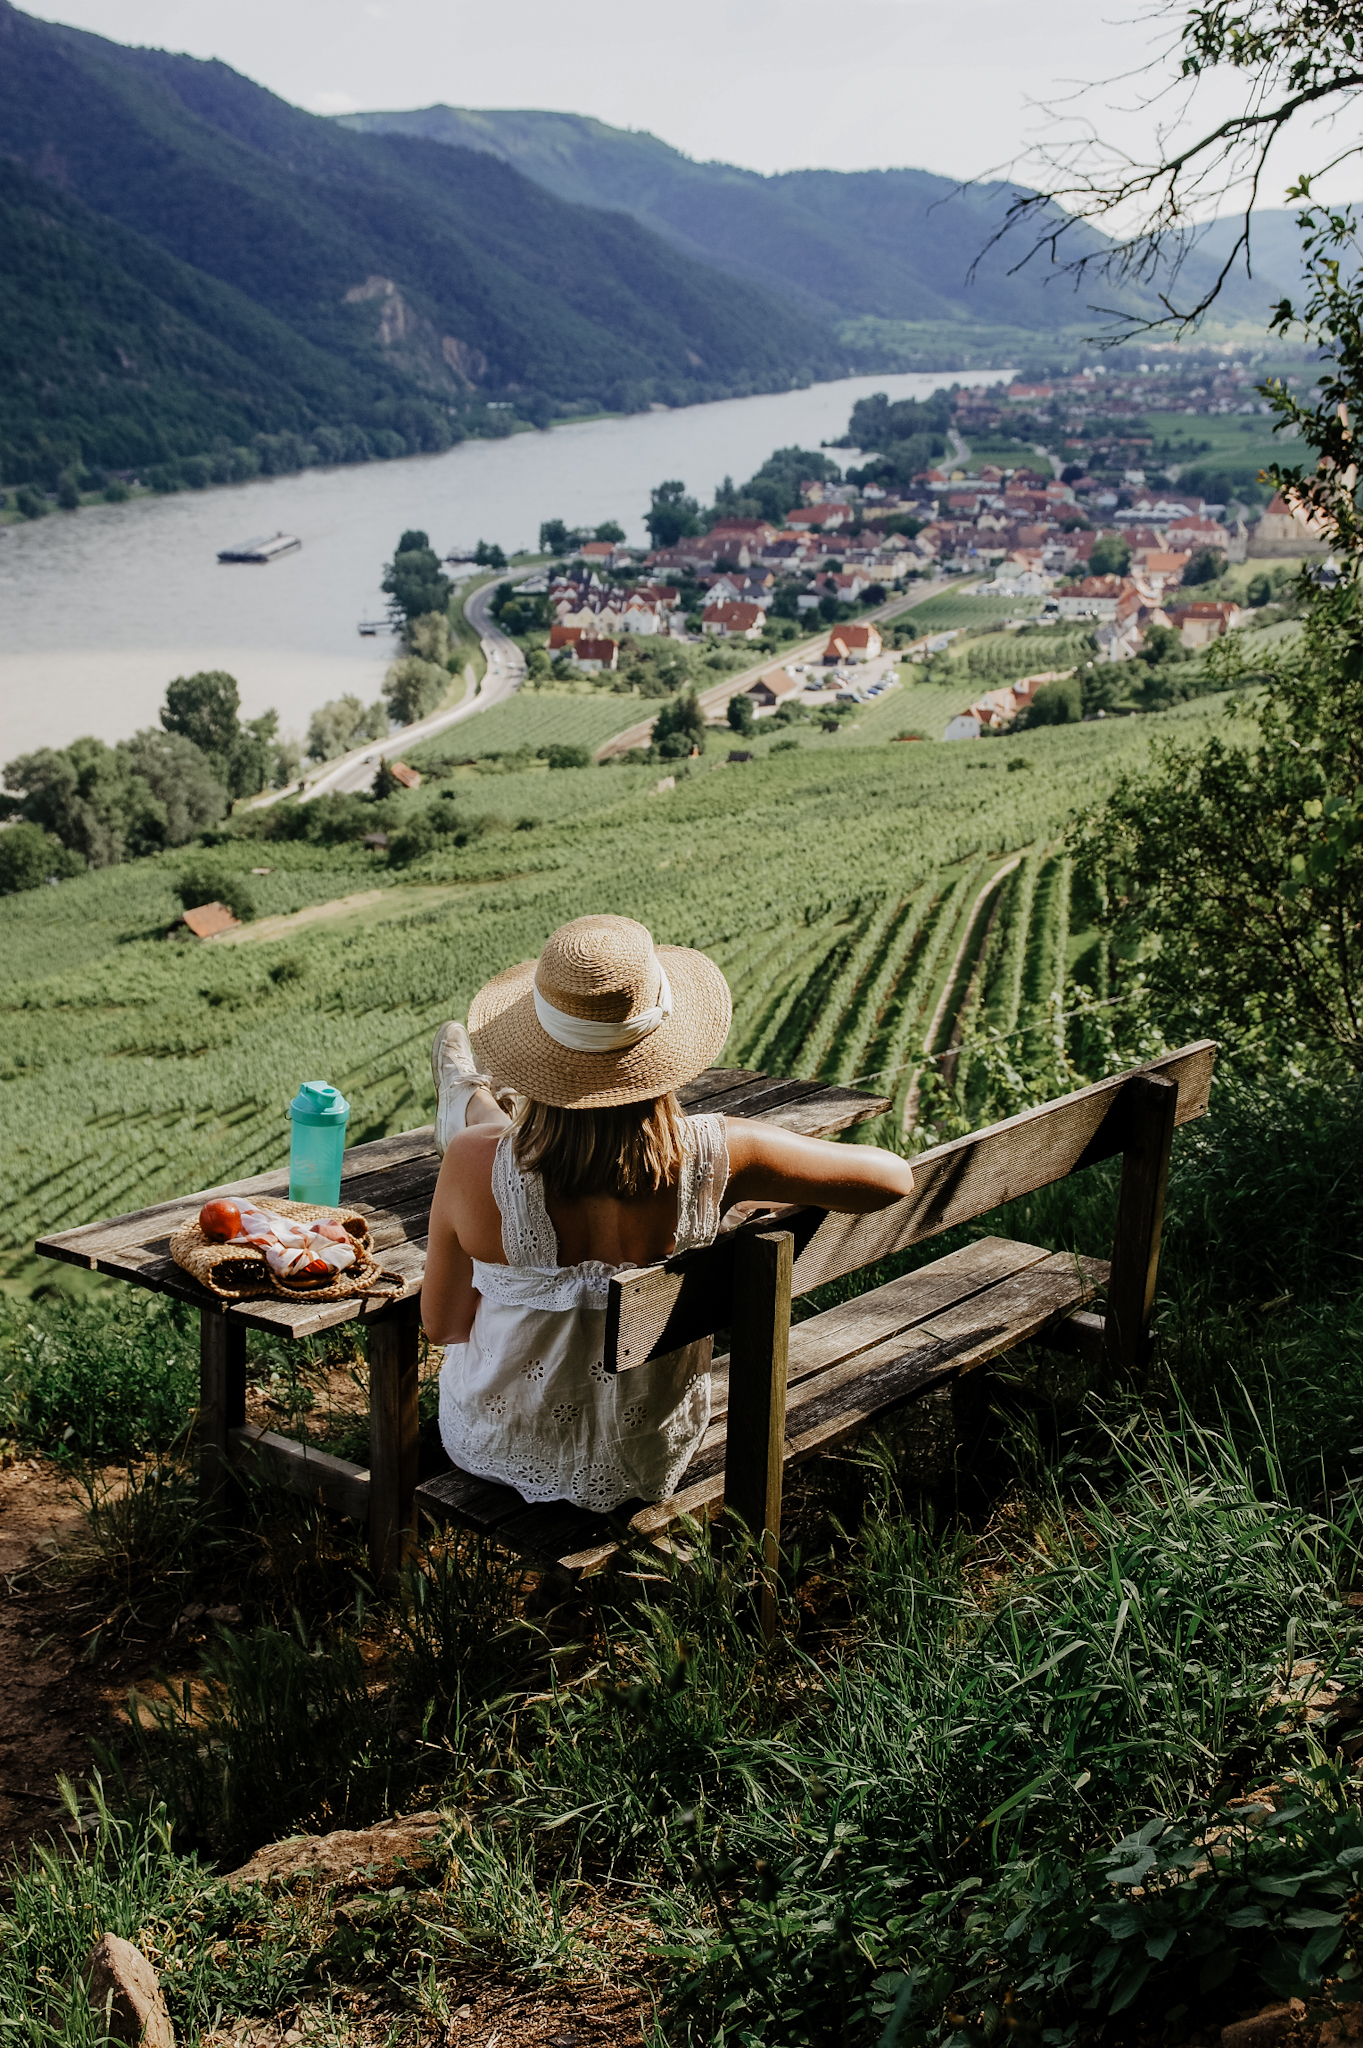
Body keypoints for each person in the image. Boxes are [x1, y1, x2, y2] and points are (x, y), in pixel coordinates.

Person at [421, 913, 914, 1513]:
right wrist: (754, 1186)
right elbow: (893, 1177)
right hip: (650, 1450)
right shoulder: (725, 1153)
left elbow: (444, 1327)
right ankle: (470, 1099)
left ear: (541, 1053)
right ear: (665, 1046)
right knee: (498, 1143)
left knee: (494, 1141)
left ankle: (467, 1098)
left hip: (496, 1446)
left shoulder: (473, 1167)